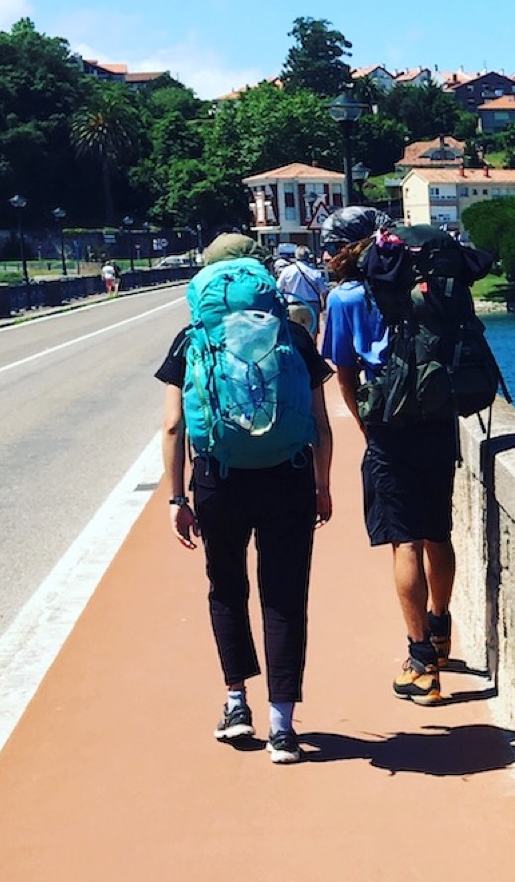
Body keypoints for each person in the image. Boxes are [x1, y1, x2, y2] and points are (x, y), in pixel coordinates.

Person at [158, 232, 334, 764]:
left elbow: (173, 426)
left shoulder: (191, 339)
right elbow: (321, 426)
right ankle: (284, 727)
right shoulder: (294, 336)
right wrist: (322, 486)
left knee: (226, 589)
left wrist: (175, 498)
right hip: (289, 476)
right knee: (284, 596)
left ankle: (238, 705)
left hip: (219, 478)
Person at [318, 207, 457, 707]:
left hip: (389, 429)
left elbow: (345, 371)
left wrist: (363, 424)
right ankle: (440, 629)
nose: (328, 255)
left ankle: (421, 664)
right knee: (437, 530)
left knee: (405, 542)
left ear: (348, 247)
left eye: (332, 246)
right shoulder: (426, 288)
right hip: (438, 421)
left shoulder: (346, 298)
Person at [275, 245, 329, 332]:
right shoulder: (315, 272)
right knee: (311, 334)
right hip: (312, 306)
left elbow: (278, 288)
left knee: (295, 334)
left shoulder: (288, 270)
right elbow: (324, 291)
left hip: (294, 305)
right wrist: (324, 306)